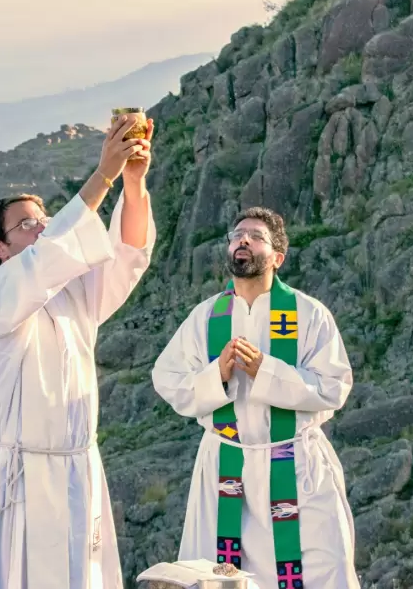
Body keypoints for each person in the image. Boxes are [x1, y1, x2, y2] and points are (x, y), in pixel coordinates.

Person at [0, 114, 156, 589]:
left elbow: (128, 255)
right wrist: (103, 175)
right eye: (28, 223)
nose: (43, 226)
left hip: (78, 465)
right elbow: (48, 256)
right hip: (25, 475)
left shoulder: (73, 291)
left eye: (45, 217)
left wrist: (132, 183)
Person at [152, 207, 359, 589]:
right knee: (218, 577)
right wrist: (216, 376)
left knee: (323, 570)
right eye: (237, 235)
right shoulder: (205, 317)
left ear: (278, 257)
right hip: (226, 471)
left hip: (296, 468)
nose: (243, 240)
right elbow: (167, 379)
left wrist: (267, 371)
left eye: (256, 236)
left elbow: (334, 386)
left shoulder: (309, 314)